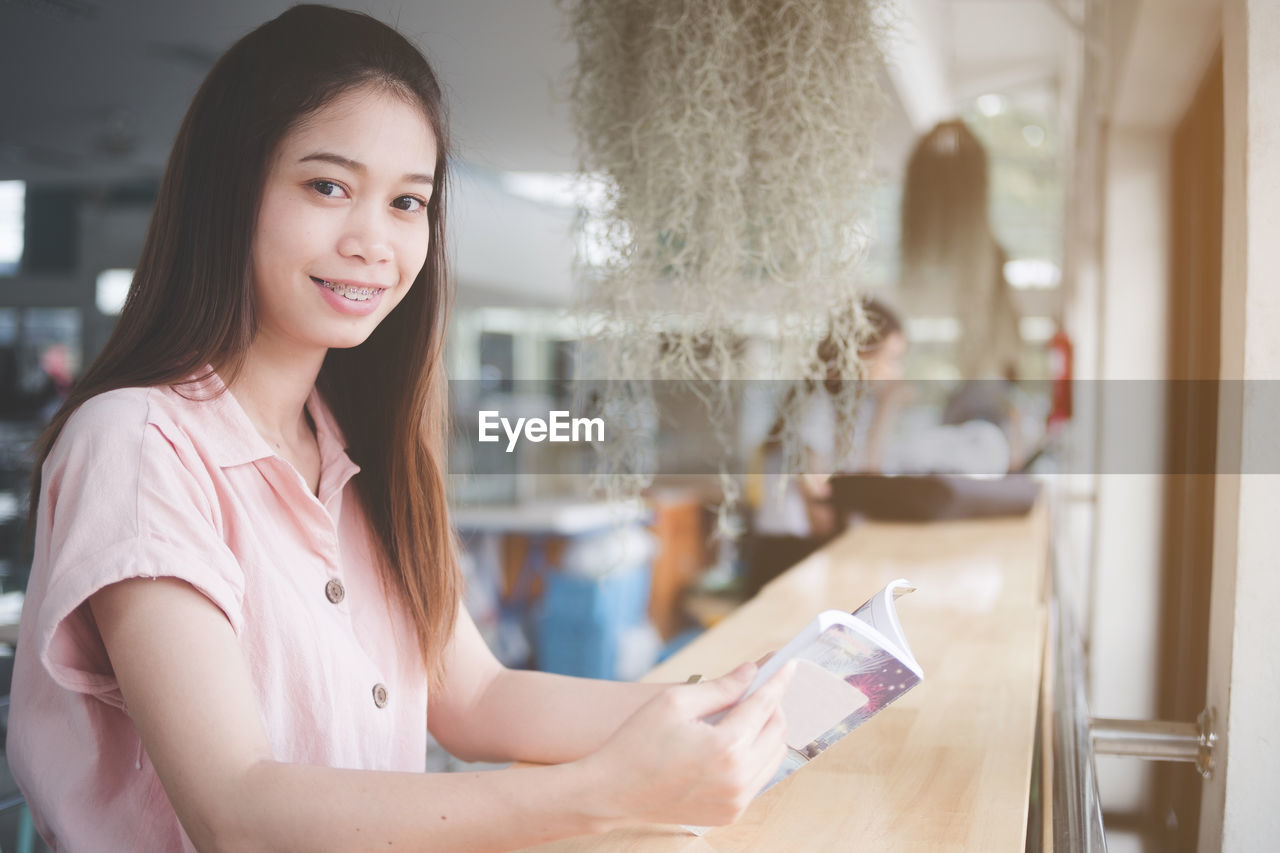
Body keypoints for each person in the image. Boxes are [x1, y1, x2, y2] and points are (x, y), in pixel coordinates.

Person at [6, 7, 793, 851]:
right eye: (328, 186)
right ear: (229, 191)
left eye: (407, 201)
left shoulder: (360, 445)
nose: (374, 242)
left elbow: (477, 698)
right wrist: (598, 794)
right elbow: (235, 812)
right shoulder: (136, 444)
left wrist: (732, 704)